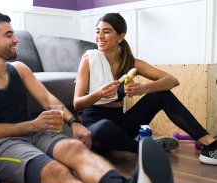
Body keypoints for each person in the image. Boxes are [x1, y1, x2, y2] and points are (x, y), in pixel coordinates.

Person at [0, 12, 180, 183]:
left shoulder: (19, 68)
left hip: (35, 133)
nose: (16, 39)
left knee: (75, 149)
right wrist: (33, 125)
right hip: (0, 146)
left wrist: (74, 124)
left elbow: (50, 100)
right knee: (57, 171)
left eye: (14, 33)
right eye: (8, 35)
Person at [73, 13, 217, 165]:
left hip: (121, 125)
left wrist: (145, 88)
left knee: (161, 95)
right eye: (97, 31)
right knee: (104, 127)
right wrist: (97, 94)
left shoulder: (130, 63)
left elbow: (172, 80)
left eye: (106, 31)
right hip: (95, 126)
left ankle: (209, 143)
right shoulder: (89, 59)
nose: (100, 36)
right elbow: (77, 104)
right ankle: (147, 148)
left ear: (120, 37)